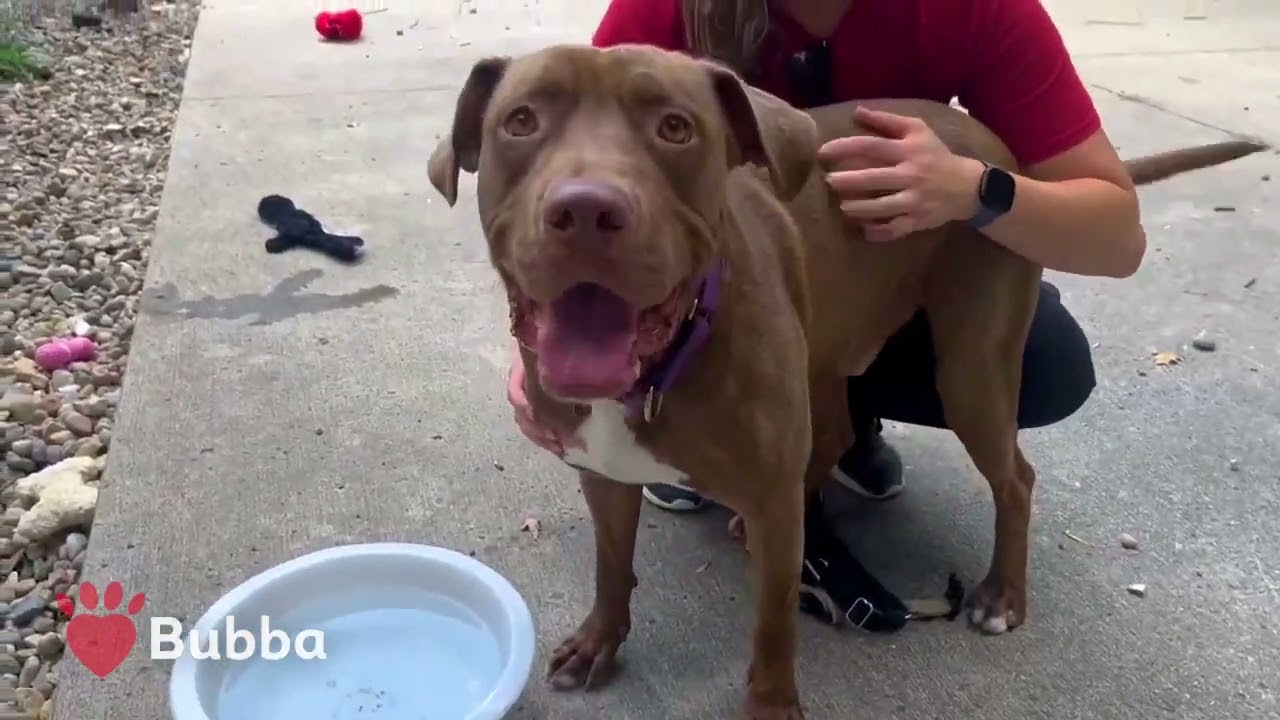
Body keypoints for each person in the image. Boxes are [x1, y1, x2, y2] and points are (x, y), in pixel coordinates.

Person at [507, 0, 1146, 513]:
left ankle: (837, 427)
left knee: (1046, 364)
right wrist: (547, 336)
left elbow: (1118, 239)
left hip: (887, 280)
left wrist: (972, 189)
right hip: (716, 307)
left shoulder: (972, 11)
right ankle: (691, 440)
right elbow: (570, 192)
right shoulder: (668, 11)